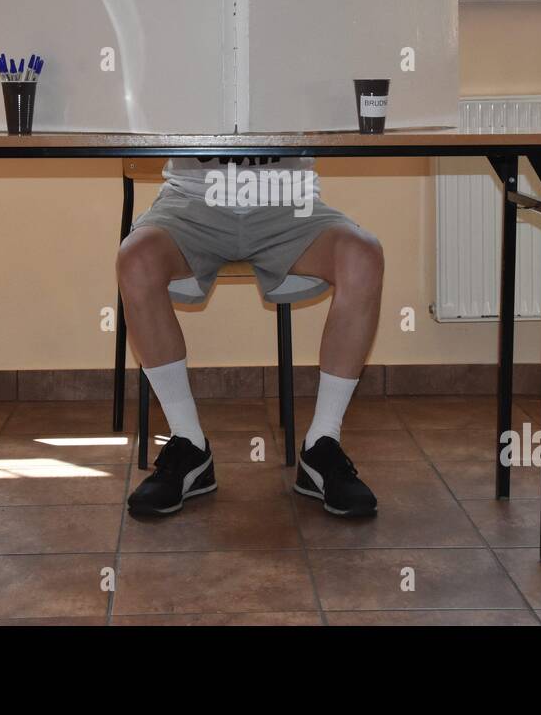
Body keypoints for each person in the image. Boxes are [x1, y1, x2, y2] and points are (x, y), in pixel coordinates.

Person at [117, 155, 383, 517]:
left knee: (363, 254)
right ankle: (188, 444)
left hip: (288, 201)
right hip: (193, 203)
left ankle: (323, 444)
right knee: (135, 258)